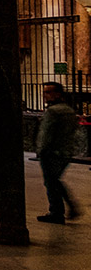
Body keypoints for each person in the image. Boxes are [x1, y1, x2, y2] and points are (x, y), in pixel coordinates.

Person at [36, 81, 81, 224]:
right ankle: (67, 208)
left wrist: (41, 150)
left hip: (51, 153)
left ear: (58, 94)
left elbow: (46, 134)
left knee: (51, 182)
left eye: (48, 92)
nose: (45, 96)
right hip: (65, 152)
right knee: (55, 181)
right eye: (44, 92)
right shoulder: (69, 111)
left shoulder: (53, 112)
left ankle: (57, 212)